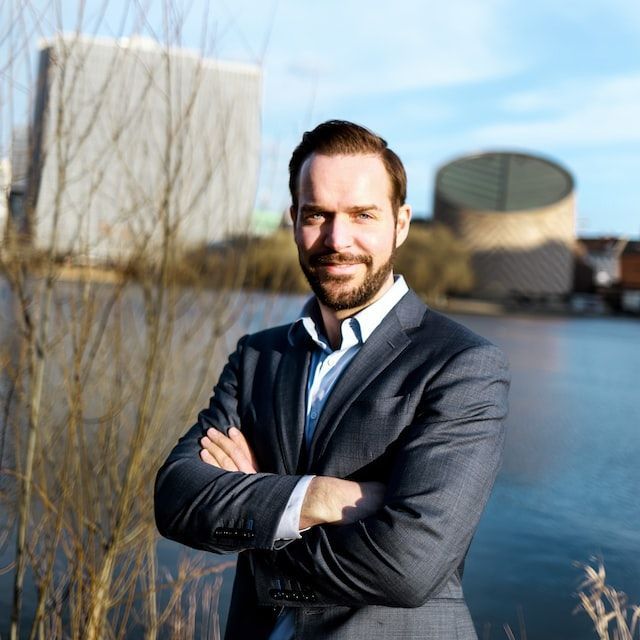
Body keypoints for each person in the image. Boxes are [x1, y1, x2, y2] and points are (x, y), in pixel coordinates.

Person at [155, 120, 510, 640]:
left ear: (400, 224)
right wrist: (318, 498)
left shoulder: (461, 365)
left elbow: (408, 566)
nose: (337, 239)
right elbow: (176, 500)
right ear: (294, 220)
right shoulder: (259, 357)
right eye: (317, 214)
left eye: (362, 214)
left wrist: (260, 509)